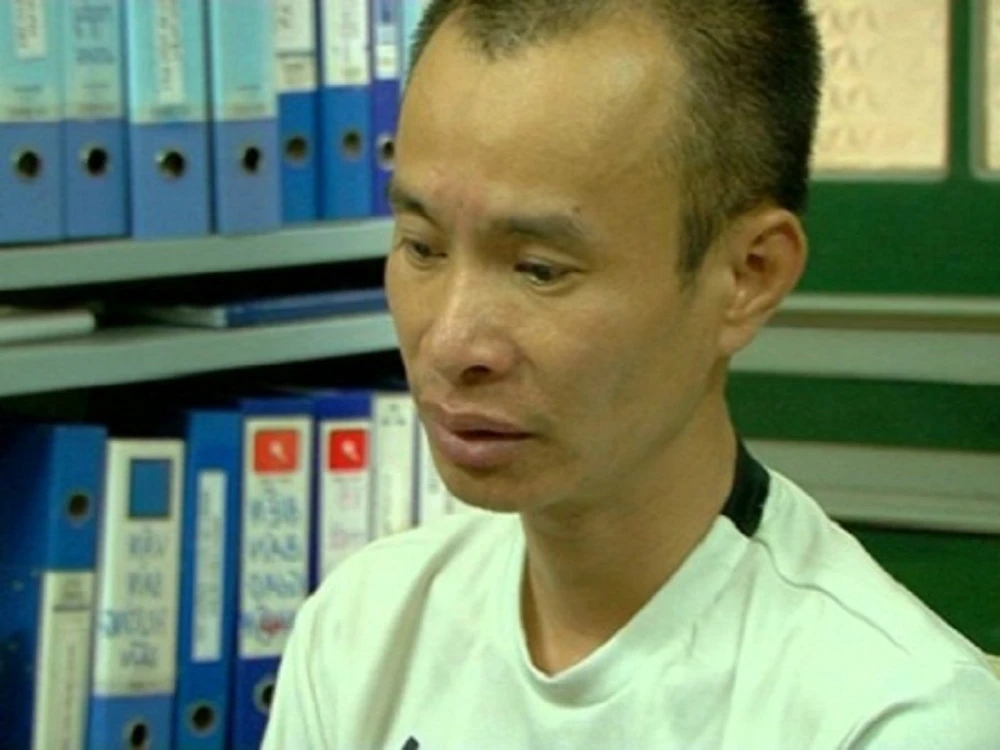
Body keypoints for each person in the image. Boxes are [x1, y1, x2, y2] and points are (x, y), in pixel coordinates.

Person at [264, 1, 1000, 747]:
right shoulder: (363, 632)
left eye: (540, 269)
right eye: (422, 247)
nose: (451, 344)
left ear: (748, 275)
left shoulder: (892, 718)